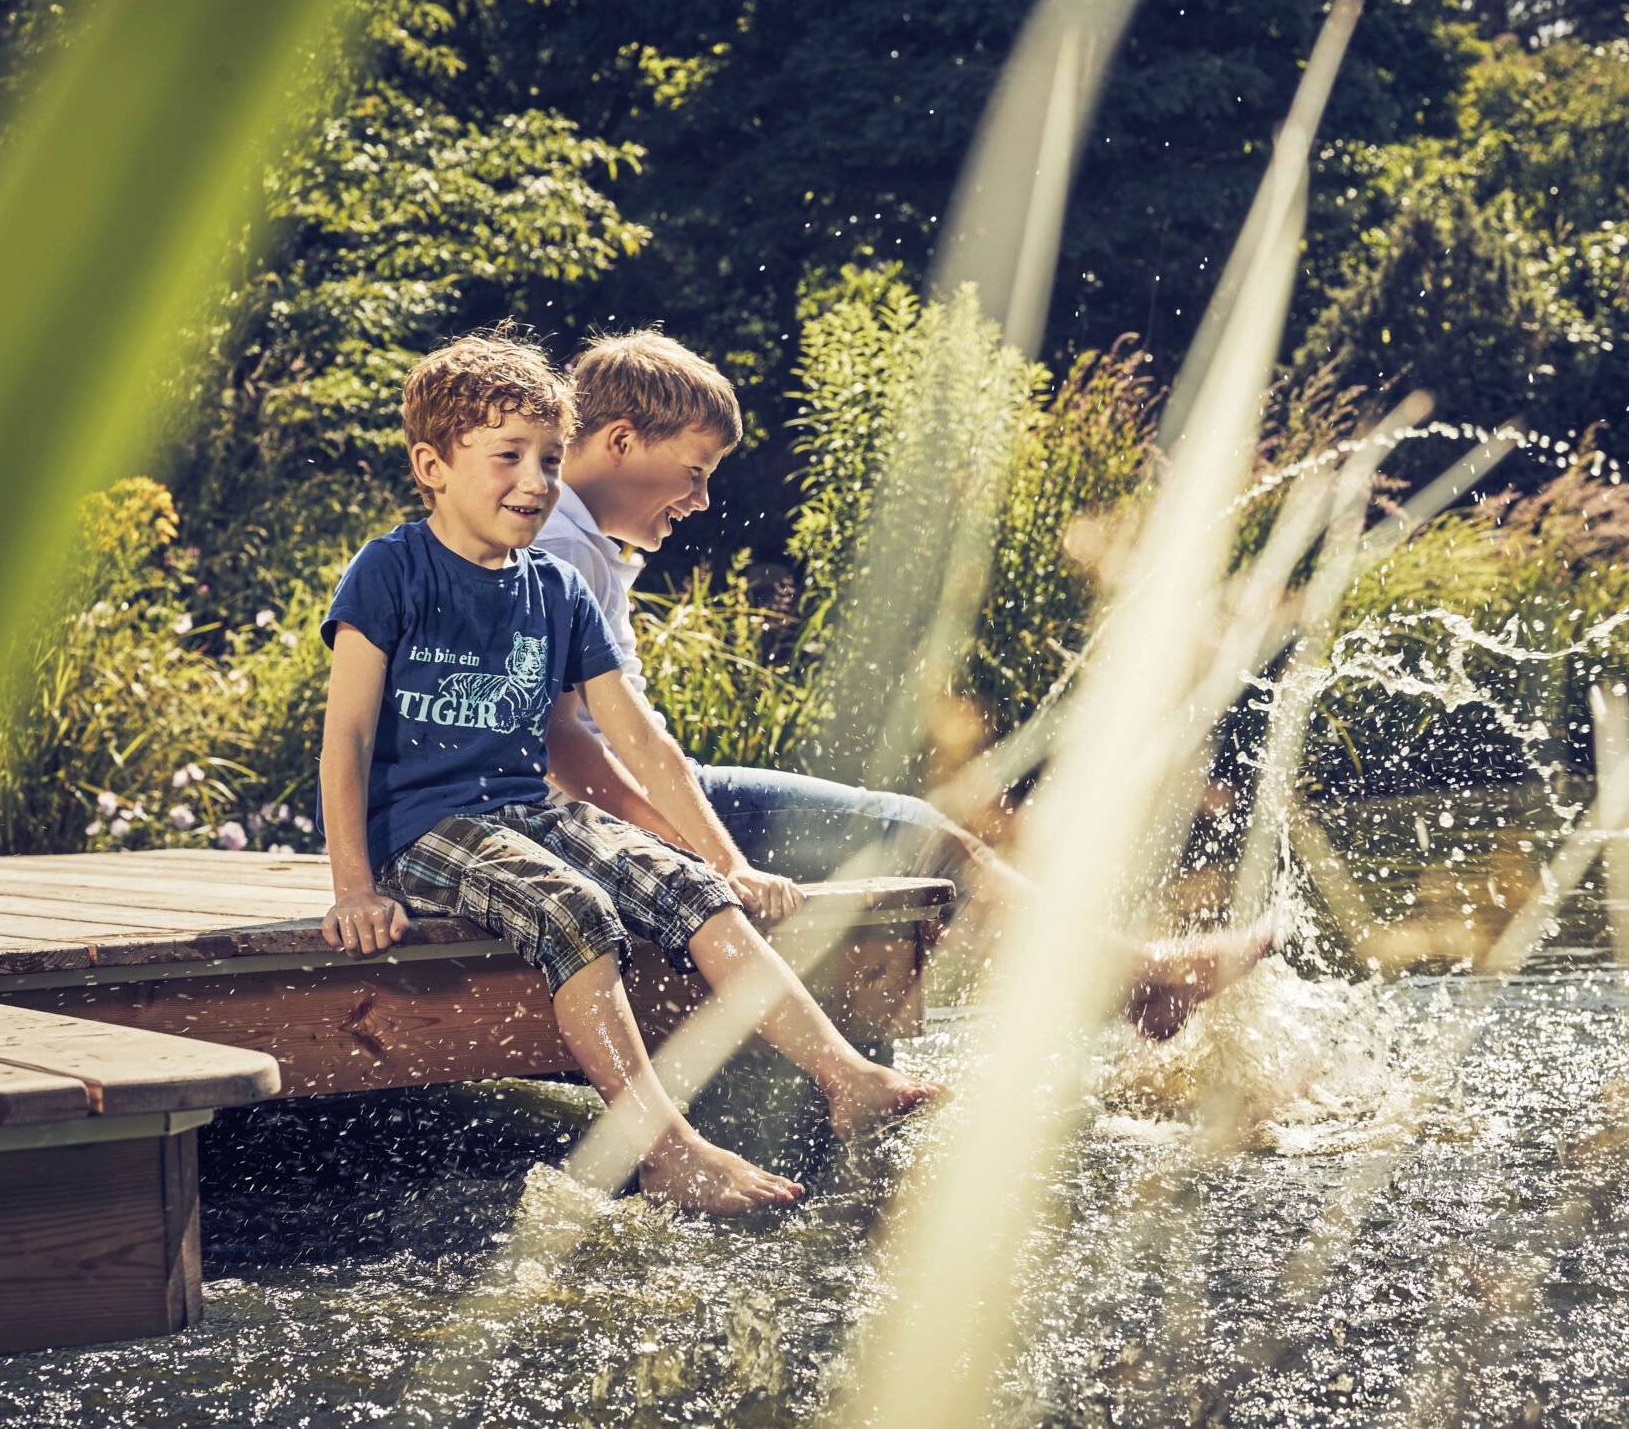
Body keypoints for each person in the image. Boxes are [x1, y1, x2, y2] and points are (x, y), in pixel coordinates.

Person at [316, 330, 938, 1215]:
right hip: (418, 830)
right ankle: (665, 1150)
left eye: (548, 459)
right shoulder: (391, 571)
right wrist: (352, 886)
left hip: (524, 813)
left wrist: (725, 860)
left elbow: (640, 738)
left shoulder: (558, 589)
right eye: (508, 458)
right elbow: (345, 737)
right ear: (433, 464)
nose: (536, 481)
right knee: (578, 911)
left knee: (691, 889)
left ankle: (847, 1075)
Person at [539, 330, 1270, 1040]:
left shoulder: (575, 539)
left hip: (643, 797)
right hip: (613, 819)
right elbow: (564, 747)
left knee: (915, 834)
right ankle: (1139, 984)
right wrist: (703, 849)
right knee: (916, 837)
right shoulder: (561, 547)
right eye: (695, 471)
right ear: (622, 441)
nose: (700, 500)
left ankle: (1132, 981)